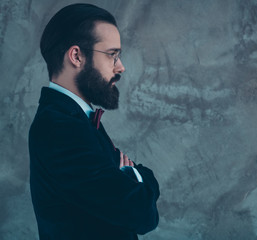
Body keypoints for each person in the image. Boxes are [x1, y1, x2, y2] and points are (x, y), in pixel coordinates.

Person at [28, 3, 160, 240]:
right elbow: (142, 215)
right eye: (112, 55)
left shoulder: (74, 118)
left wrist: (130, 177)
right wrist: (135, 175)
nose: (121, 67)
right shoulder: (60, 128)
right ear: (77, 56)